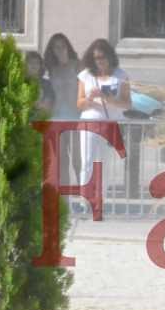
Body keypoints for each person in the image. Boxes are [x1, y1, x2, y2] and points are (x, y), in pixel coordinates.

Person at [75, 38, 131, 191]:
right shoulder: (85, 75)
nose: (99, 61)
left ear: (110, 56)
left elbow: (127, 103)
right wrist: (90, 98)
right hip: (89, 123)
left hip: (109, 124)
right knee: (87, 161)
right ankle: (84, 200)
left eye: (102, 57)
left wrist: (107, 97)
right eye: (95, 58)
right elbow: (79, 104)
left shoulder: (121, 75)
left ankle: (101, 198)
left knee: (104, 163)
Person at [43, 32, 81, 185]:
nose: (59, 50)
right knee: (62, 160)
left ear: (68, 47)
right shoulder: (50, 69)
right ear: (51, 50)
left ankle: (83, 194)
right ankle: (66, 198)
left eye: (62, 46)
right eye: (55, 47)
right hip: (56, 118)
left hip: (76, 118)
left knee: (79, 160)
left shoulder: (77, 65)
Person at [24, 50, 55, 115]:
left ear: (40, 65)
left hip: (41, 119)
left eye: (37, 63)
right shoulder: (21, 82)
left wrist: (37, 106)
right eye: (31, 62)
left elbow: (49, 103)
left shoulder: (47, 83)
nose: (34, 65)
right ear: (25, 65)